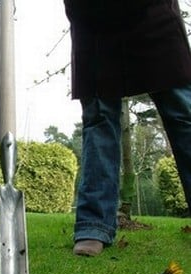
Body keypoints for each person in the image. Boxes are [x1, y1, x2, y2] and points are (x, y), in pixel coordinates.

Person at [63, 0, 191, 256]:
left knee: (184, 113)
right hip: (93, 20)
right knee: (99, 117)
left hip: (154, 12)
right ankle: (93, 225)